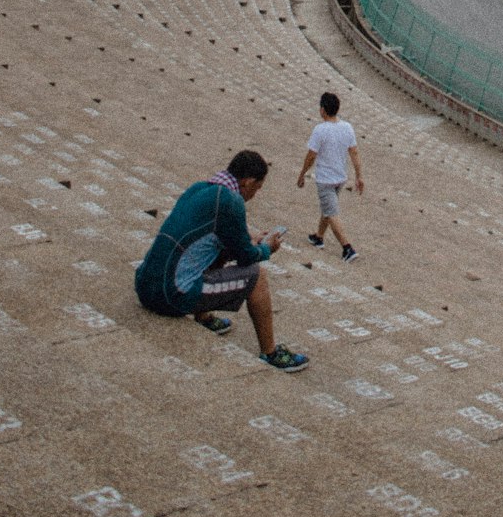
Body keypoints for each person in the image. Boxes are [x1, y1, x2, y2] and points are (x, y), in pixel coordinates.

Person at [135, 150, 308, 371]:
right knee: (257, 276)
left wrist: (248, 239)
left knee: (220, 248)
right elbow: (246, 256)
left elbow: (221, 238)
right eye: (258, 188)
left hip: (144, 286)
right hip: (169, 296)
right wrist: (267, 249)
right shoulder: (231, 201)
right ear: (247, 182)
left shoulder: (200, 188)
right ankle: (271, 352)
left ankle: (204, 315)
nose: (256, 194)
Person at [296, 92, 364, 262]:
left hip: (325, 179)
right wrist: (359, 176)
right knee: (328, 208)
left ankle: (347, 248)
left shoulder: (320, 130)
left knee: (331, 212)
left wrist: (302, 173)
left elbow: (311, 156)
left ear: (323, 110)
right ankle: (318, 236)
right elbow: (354, 152)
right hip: (341, 178)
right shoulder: (347, 127)